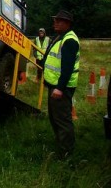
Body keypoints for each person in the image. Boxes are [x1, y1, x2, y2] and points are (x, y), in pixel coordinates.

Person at [43, 10, 80, 158]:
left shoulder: (69, 40)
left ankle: (66, 153)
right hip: (55, 86)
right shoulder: (60, 37)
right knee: (54, 117)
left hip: (61, 89)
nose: (55, 23)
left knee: (62, 120)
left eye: (59, 21)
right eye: (55, 20)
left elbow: (67, 68)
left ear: (68, 23)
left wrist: (59, 88)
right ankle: (61, 145)